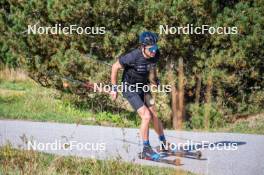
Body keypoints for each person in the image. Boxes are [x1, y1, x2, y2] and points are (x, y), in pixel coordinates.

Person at [110, 31, 168, 160]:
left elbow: (152, 68)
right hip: (129, 88)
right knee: (146, 116)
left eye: (156, 47)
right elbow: (115, 67)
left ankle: (164, 143)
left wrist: (154, 81)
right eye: (151, 48)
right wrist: (114, 88)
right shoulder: (132, 56)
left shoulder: (155, 55)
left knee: (154, 114)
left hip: (144, 86)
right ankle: (146, 149)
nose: (154, 51)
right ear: (143, 47)